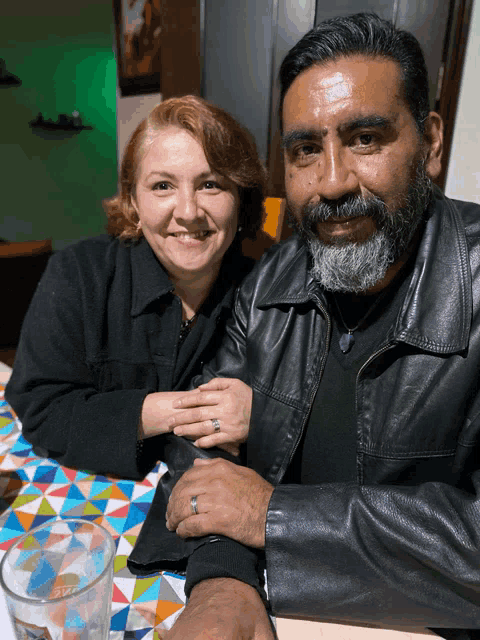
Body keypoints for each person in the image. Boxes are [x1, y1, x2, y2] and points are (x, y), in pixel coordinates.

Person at [162, 13, 480, 640]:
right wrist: (223, 581)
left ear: (432, 142)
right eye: (305, 149)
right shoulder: (275, 278)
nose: (331, 183)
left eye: (365, 138)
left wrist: (273, 515)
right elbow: (200, 441)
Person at [5, 95, 266, 479]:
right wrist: (168, 410)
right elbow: (41, 408)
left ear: (240, 200)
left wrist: (264, 415)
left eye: (210, 184)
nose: (189, 211)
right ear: (133, 201)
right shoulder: (77, 275)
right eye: (162, 186)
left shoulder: (268, 291)